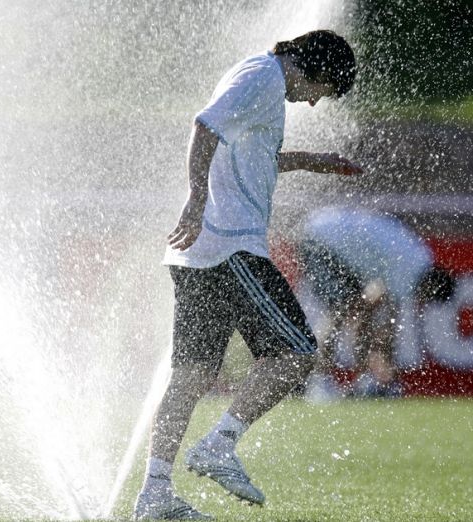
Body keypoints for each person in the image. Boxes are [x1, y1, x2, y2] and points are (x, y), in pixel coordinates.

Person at [134, 30, 362, 520]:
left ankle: (154, 493)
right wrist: (196, 201)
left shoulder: (259, 79)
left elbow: (250, 156)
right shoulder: (263, 77)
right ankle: (220, 444)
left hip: (199, 254)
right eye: (324, 89)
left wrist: (310, 162)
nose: (318, 102)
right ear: (314, 67)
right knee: (297, 352)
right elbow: (204, 128)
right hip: (229, 245)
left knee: (191, 376)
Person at [299, 206, 455, 398]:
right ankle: (318, 383)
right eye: (425, 300)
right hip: (322, 240)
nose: (420, 303)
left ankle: (364, 378)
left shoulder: (422, 259)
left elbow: (370, 309)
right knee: (339, 312)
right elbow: (386, 326)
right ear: (429, 289)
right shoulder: (409, 275)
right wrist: (386, 373)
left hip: (331, 233)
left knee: (354, 313)